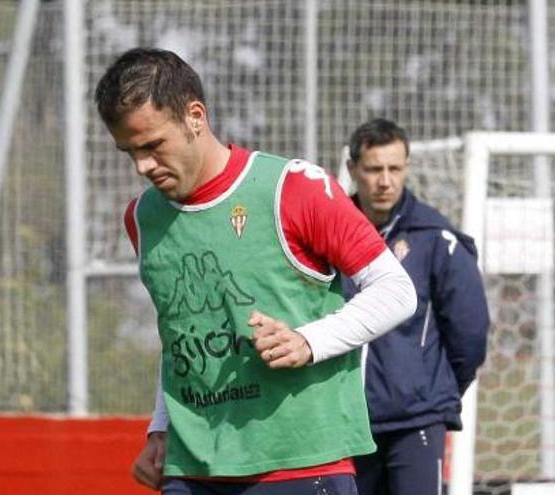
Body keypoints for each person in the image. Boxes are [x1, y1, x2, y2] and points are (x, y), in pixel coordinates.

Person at [95, 48, 417, 495]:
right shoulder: (143, 218)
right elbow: (179, 337)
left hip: (300, 466)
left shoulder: (294, 188)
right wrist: (160, 427)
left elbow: (396, 290)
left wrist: (309, 341)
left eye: (152, 146)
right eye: (129, 151)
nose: (142, 166)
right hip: (193, 468)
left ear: (195, 116)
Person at [342, 118, 490, 495]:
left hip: (416, 422)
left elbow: (469, 334)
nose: (385, 181)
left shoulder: (437, 238)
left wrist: (427, 391)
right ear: (352, 169)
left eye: (395, 168)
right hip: (344, 422)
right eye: (374, 169)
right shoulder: (328, 235)